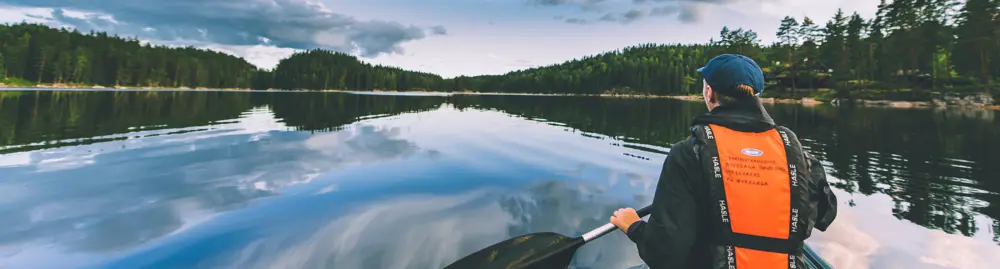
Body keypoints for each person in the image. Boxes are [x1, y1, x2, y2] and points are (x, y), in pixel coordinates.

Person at [609, 54, 838, 269]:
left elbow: (666, 254)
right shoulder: (797, 154)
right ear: (756, 94)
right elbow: (825, 214)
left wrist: (634, 227)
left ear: (709, 92)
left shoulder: (689, 153)